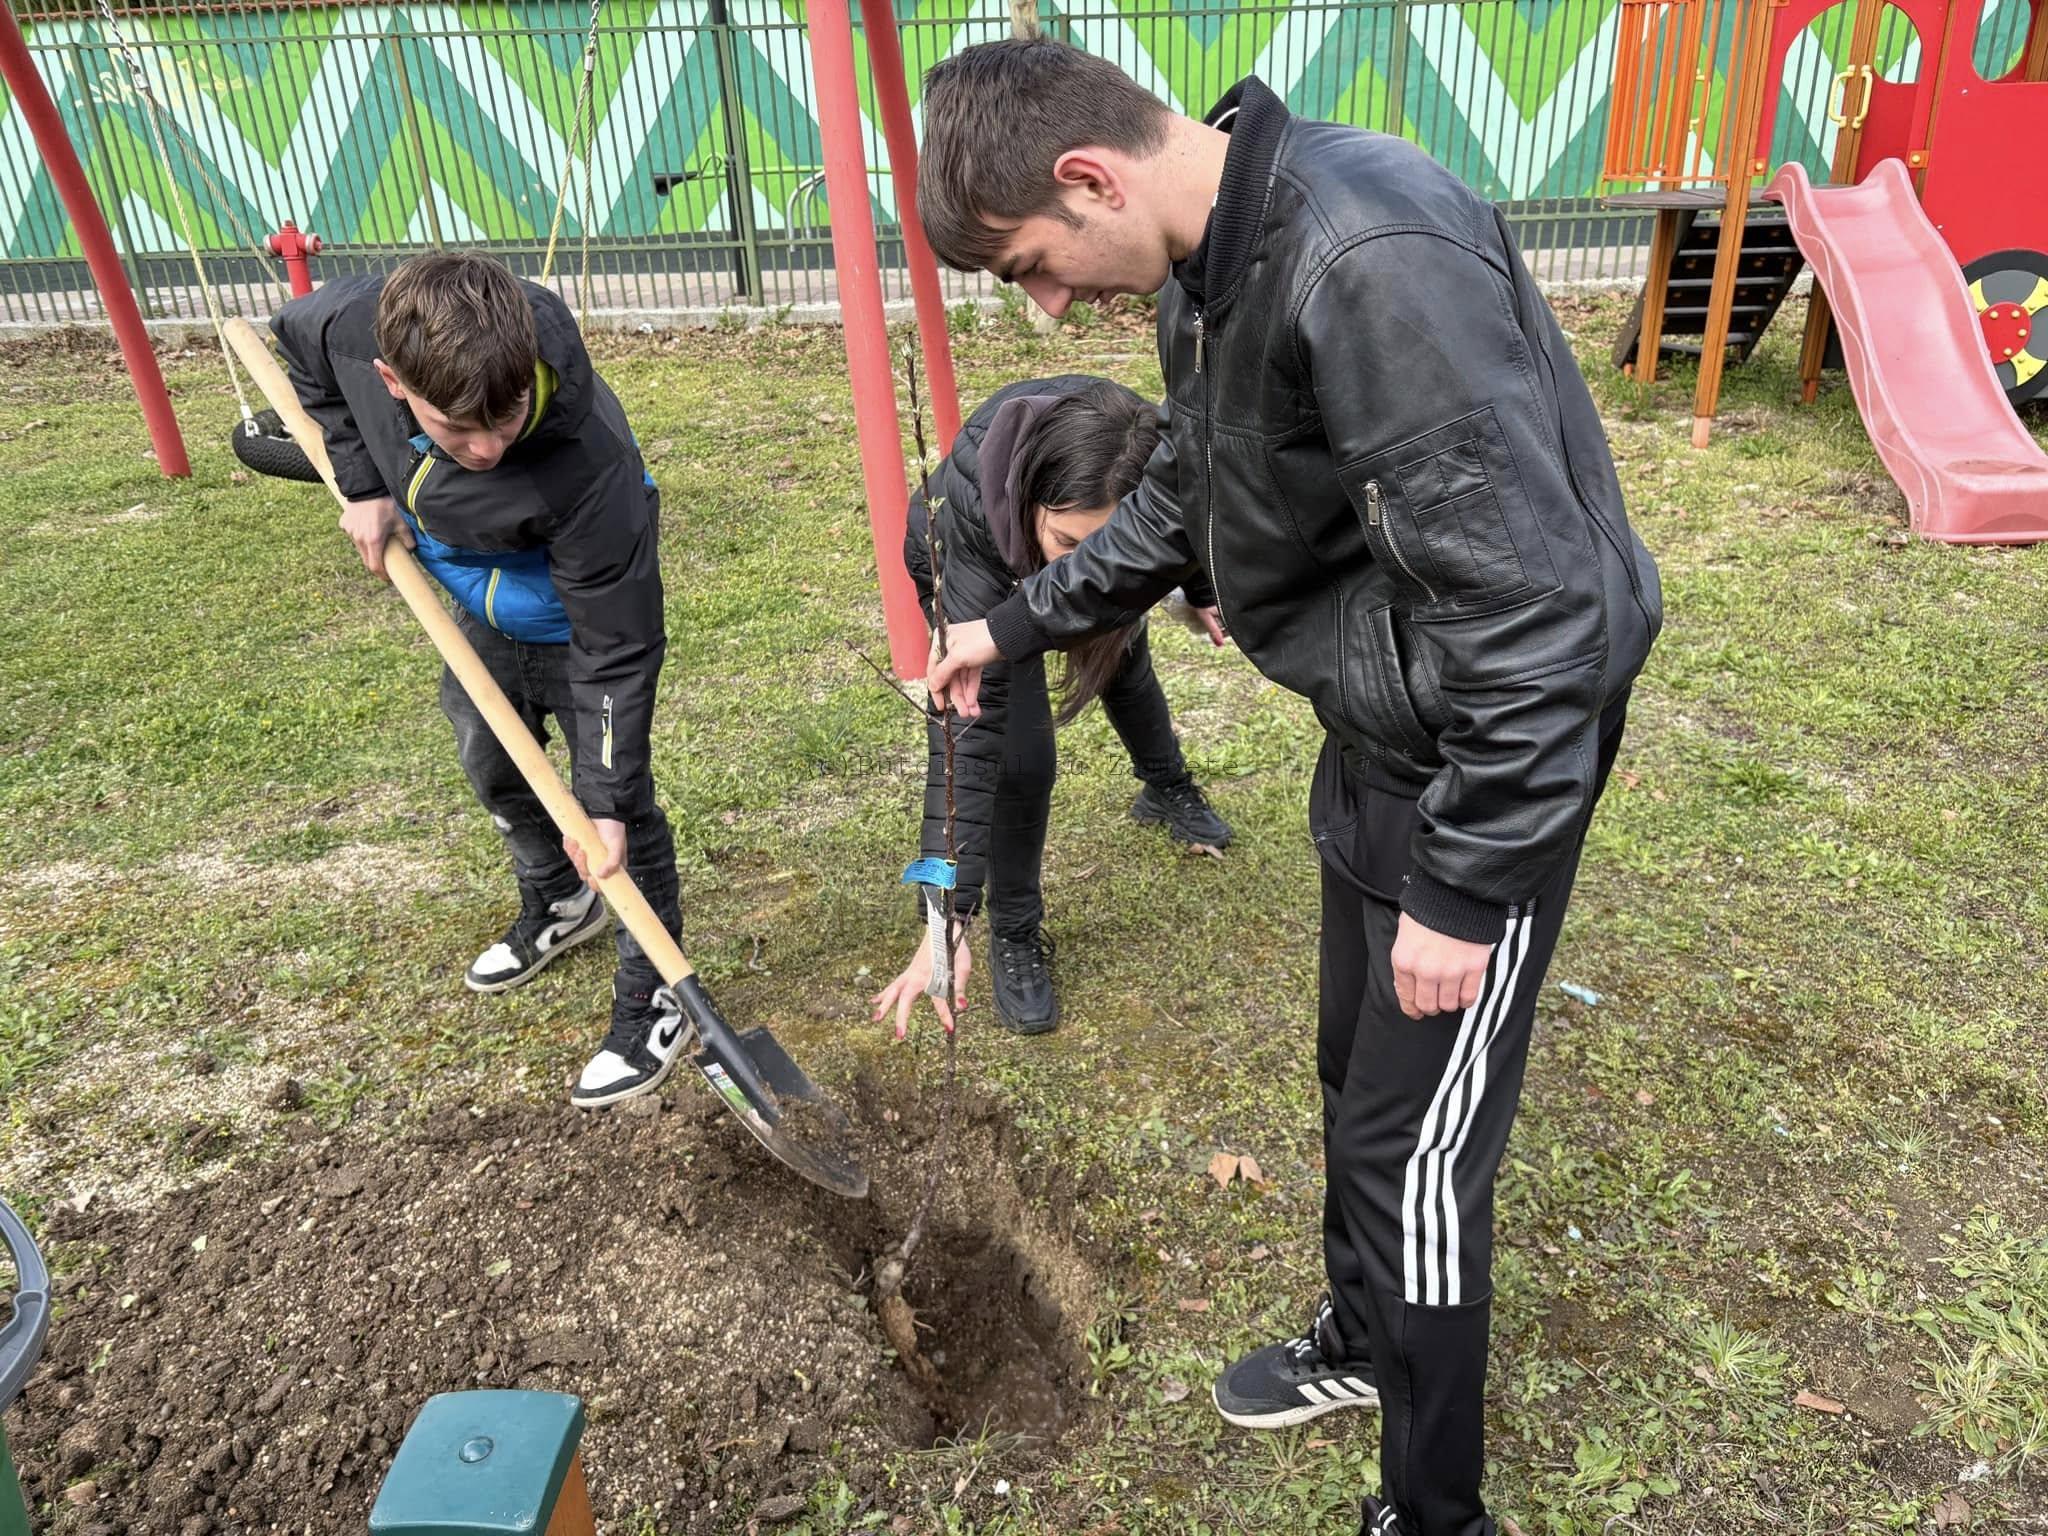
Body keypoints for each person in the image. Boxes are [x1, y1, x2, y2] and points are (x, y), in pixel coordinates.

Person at [914, 39, 1662, 1536]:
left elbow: (1540, 619)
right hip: (1381, 727)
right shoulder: (1208, 266)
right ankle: (1368, 1341)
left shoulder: (1368, 258)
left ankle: (1433, 1514)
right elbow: (1183, 493)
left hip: (1477, 767)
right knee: (1350, 1078)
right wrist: (1012, 622)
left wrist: (1467, 885)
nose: (1047, 308)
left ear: (1089, 178)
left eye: (1032, 265)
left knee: (1416, 1155)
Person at [273, 252, 691, 1110]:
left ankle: (659, 994)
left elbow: (616, 645)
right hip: (475, 599)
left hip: (577, 621)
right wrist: (362, 483)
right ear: (393, 380)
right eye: (457, 428)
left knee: (615, 812)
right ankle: (559, 899)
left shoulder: (591, 460)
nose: (489, 447)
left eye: (505, 417)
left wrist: (604, 799)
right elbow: (301, 355)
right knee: (490, 759)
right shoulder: (347, 325)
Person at [870, 375, 1232, 1039]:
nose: (1085, 576)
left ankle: (1167, 788)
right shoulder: (975, 522)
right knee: (1021, 759)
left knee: (1124, 667)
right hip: (978, 567)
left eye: (1109, 552)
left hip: (1055, 549)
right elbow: (966, 741)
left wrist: (1202, 588)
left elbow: (1188, 521)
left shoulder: (1150, 458)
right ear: (1033, 502)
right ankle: (1014, 929)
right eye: (1069, 545)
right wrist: (945, 918)